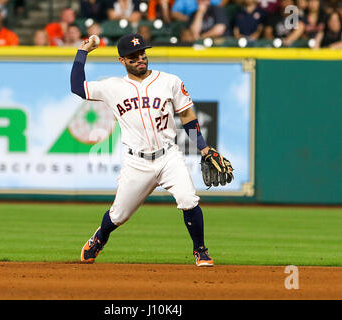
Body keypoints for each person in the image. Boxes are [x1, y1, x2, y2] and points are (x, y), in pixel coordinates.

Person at [71, 33, 234, 267]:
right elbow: (77, 87)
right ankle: (99, 238)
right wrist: (83, 50)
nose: (140, 58)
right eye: (133, 56)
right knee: (118, 216)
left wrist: (204, 148)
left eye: (142, 53)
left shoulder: (170, 81)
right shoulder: (111, 87)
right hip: (137, 162)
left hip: (168, 156)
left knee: (188, 199)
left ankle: (200, 250)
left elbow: (187, 117)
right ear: (122, 61)